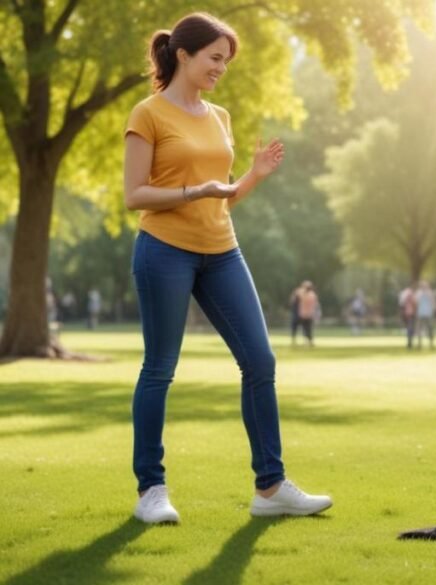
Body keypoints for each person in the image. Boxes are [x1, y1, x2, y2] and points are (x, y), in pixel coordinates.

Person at [123, 12, 330, 524]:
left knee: (260, 362)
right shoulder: (147, 114)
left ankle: (271, 487)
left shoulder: (220, 117)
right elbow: (135, 195)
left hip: (221, 251)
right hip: (163, 249)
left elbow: (223, 198)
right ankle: (151, 490)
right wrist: (197, 190)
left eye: (226, 61)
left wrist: (253, 176)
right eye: (215, 58)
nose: (221, 68)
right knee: (160, 369)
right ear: (184, 55)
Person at [414, 281, 436, 350]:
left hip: (429, 313)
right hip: (420, 313)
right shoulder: (418, 293)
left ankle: (431, 344)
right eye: (423, 285)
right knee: (419, 329)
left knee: (430, 329)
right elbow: (415, 302)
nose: (424, 287)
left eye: (426, 285)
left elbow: (434, 302)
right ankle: (419, 344)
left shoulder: (430, 292)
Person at [296, 281, 320, 347]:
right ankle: (309, 341)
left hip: (305, 314)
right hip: (308, 314)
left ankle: (307, 341)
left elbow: (297, 293)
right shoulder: (312, 294)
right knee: (308, 329)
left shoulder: (303, 294)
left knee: (306, 329)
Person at [399, 284, 417, 349]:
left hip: (407, 314)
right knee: (410, 328)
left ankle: (410, 342)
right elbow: (415, 304)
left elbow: (401, 304)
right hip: (410, 314)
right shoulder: (411, 294)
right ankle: (410, 342)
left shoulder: (403, 294)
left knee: (409, 328)